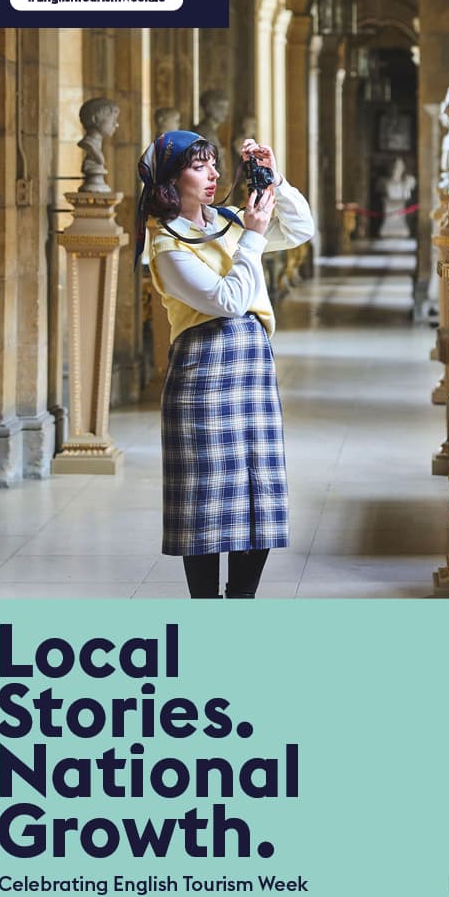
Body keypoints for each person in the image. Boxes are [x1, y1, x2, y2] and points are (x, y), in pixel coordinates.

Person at [135, 129, 315, 599]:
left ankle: (241, 602)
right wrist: (252, 238)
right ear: (172, 181)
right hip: (202, 375)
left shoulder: (229, 221)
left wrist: (275, 176)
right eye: (199, 167)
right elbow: (228, 300)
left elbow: (301, 229)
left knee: (259, 491)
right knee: (205, 501)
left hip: (252, 369)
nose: (214, 175)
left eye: (215, 164)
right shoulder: (166, 246)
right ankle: (206, 609)